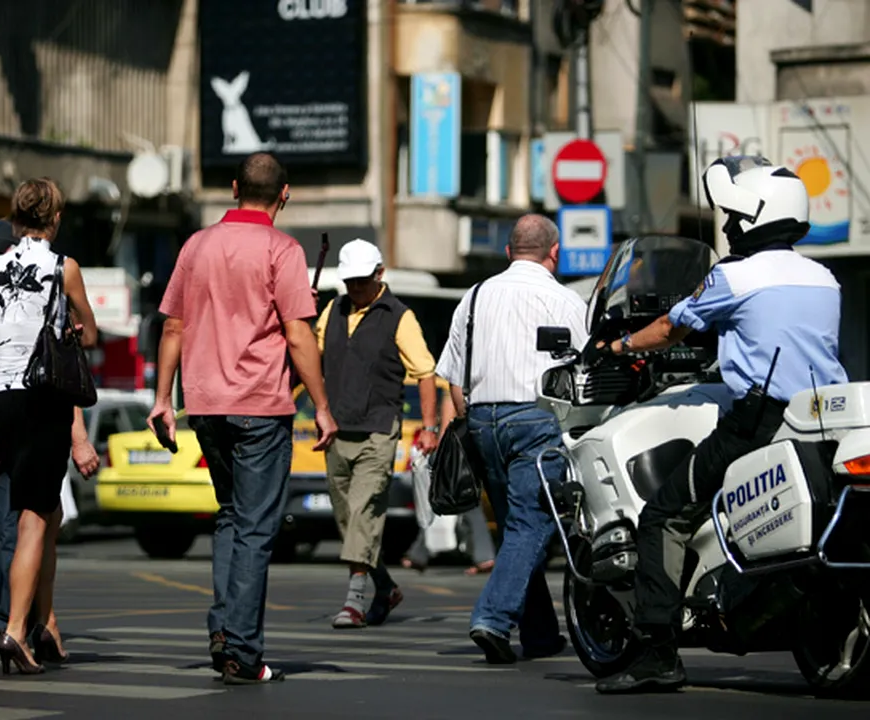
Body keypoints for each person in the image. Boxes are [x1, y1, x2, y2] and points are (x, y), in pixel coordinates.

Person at [595, 157, 848, 693]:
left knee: (664, 514)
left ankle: (657, 651)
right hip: (825, 420)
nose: (729, 228)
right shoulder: (824, 279)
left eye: (734, 218)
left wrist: (617, 345)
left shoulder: (734, 276)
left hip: (758, 422)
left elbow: (668, 329)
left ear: (756, 218)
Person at [150, 152, 337, 684]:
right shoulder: (283, 249)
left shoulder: (196, 245)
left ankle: (222, 627)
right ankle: (242, 651)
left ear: (233, 188)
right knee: (256, 528)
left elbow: (172, 328)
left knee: (231, 517)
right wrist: (322, 406)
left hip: (205, 403)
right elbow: (299, 334)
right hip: (258, 404)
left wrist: (163, 398)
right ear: (284, 194)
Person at [436, 213, 586, 665]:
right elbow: (586, 370)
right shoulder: (564, 300)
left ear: (508, 251)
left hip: (483, 421)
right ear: (554, 254)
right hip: (535, 420)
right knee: (531, 525)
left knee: (517, 529)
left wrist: (470, 417)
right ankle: (494, 618)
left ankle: (539, 634)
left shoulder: (475, 296)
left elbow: (453, 376)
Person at [0, 218, 100, 647]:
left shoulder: (33, 303)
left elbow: (60, 374)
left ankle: (14, 621)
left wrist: (78, 438)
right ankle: (29, 619)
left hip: (10, 428)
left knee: (26, 528)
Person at [0, 178, 98, 675]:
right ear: (54, 218)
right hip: (40, 398)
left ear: (14, 217)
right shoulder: (62, 266)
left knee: (45, 513)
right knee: (33, 518)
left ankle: (45, 623)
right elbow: (88, 332)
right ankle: (15, 628)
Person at [314, 239, 440, 628]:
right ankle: (385, 586)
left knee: (364, 511)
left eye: (362, 282)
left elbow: (425, 373)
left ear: (379, 274)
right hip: (336, 429)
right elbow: (308, 356)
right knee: (348, 520)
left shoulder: (399, 316)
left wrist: (429, 428)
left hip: (378, 430)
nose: (355, 289)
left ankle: (354, 602)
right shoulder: (332, 310)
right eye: (349, 282)